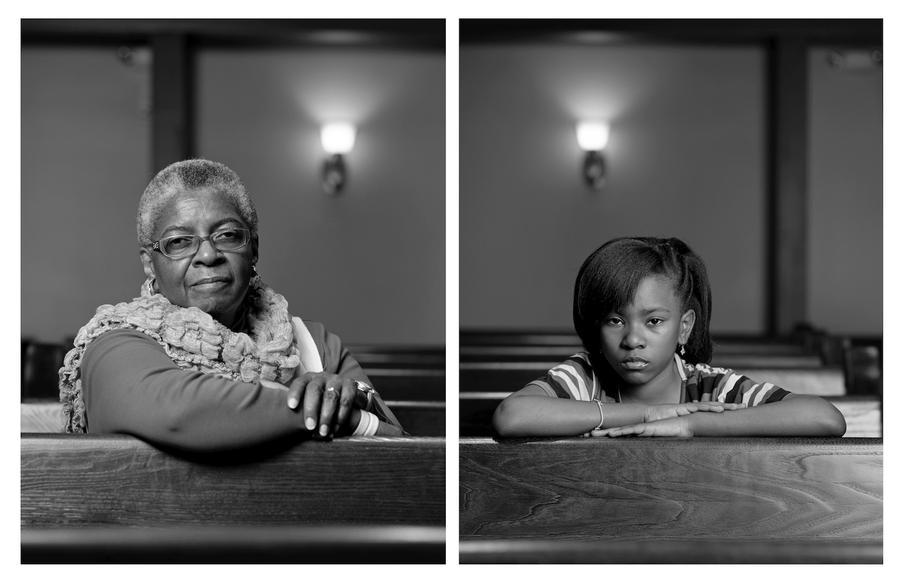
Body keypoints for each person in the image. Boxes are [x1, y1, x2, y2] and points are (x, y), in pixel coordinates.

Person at [59, 159, 403, 451]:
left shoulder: (314, 344)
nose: (208, 256)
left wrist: (347, 405)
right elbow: (177, 413)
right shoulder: (117, 343)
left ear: (253, 249)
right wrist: (333, 414)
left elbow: (398, 444)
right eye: (179, 242)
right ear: (151, 263)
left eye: (227, 235)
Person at [492, 236, 846, 438]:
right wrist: (645, 414)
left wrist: (691, 423)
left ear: (685, 326)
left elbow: (825, 417)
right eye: (615, 320)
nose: (633, 339)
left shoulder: (710, 389)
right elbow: (512, 416)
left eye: (654, 321)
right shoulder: (585, 377)